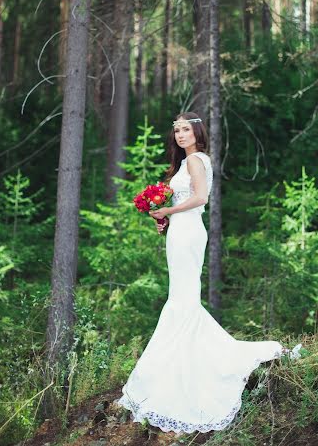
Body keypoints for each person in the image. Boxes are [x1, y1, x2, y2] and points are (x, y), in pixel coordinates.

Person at [117, 112, 298, 434]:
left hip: (189, 232)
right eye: (176, 130)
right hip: (180, 230)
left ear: (198, 132)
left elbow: (201, 198)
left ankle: (184, 365)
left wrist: (168, 210)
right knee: (181, 296)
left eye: (186, 129)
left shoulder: (198, 160)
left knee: (183, 298)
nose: (180, 134)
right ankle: (179, 360)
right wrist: (165, 218)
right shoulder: (185, 163)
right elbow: (187, 200)